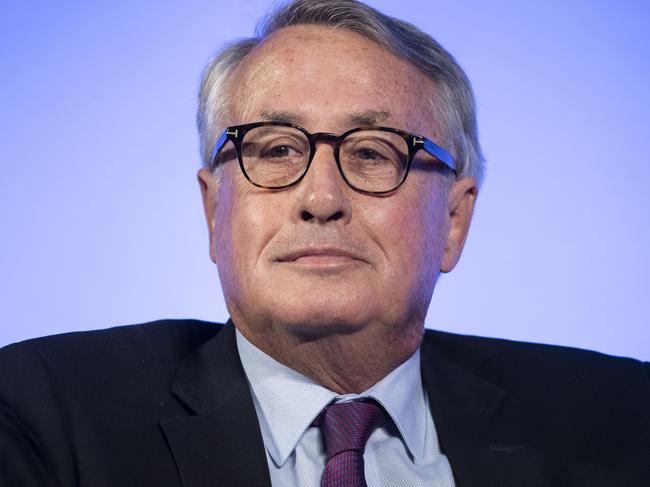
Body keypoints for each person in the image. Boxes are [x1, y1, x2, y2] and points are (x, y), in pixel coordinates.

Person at [0, 0, 648, 485]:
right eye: (277, 149)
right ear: (213, 210)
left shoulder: (623, 419)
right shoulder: (46, 416)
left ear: (454, 220)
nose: (320, 198)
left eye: (371, 153)